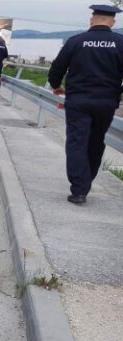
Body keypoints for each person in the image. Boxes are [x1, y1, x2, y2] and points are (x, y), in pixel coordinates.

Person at [48, 4, 123, 204]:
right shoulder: (120, 43)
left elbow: (57, 68)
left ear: (92, 20)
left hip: (78, 101)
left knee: (76, 142)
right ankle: (87, 179)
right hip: (106, 102)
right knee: (96, 141)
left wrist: (56, 86)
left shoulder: (76, 41)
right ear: (113, 22)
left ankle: (79, 189)